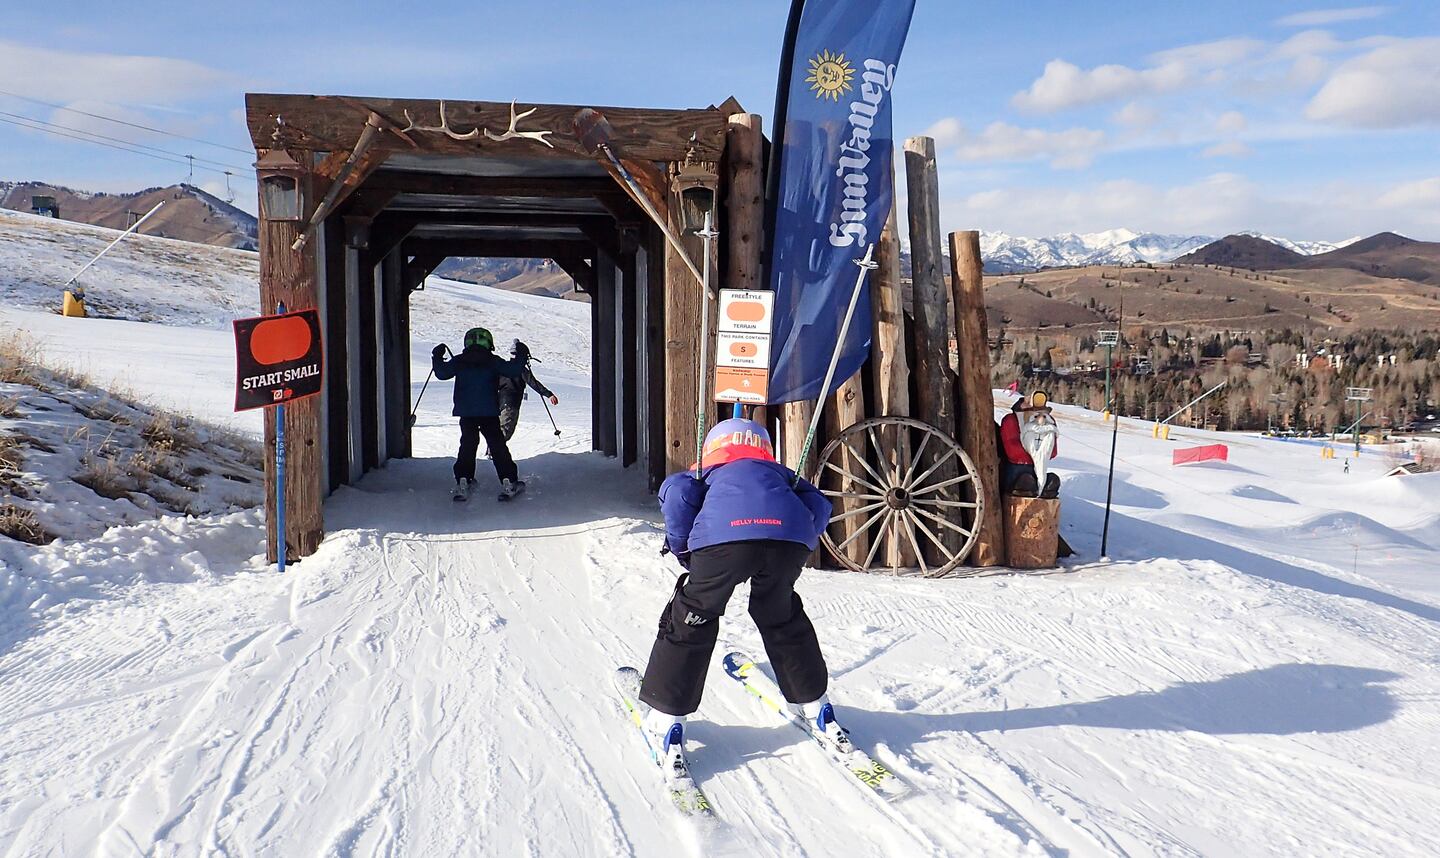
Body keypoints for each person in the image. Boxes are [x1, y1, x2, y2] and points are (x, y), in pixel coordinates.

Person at [636, 418, 840, 775]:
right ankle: (814, 705)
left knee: (695, 613)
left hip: (723, 542)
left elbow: (678, 495)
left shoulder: (709, 472)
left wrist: (685, 551)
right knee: (781, 614)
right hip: (787, 542)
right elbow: (820, 505)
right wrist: (801, 538)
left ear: (714, 447)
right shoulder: (778, 472)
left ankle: (666, 717)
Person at [432, 327, 528, 501]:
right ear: (489, 343)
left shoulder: (460, 361)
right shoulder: (492, 360)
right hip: (489, 412)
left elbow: (442, 373)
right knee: (497, 446)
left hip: (466, 412)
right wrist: (522, 354)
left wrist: (437, 356)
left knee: (467, 444)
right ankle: (509, 482)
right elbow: (513, 370)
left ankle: (463, 481)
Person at [496, 340, 559, 441]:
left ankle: (491, 453)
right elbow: (534, 383)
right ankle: (493, 455)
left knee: (498, 430)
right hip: (512, 404)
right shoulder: (521, 370)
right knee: (505, 431)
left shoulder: (504, 367)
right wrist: (549, 394)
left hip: (499, 403)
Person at [998, 397, 1060, 498]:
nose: (1040, 418)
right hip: (1017, 468)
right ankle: (1022, 488)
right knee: (1025, 481)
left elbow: (1053, 452)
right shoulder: (1011, 421)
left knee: (1051, 481)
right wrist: (1036, 454)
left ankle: (1043, 488)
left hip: (1038, 469)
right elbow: (1013, 452)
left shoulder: (1049, 425)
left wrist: (1043, 450)